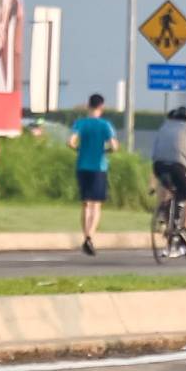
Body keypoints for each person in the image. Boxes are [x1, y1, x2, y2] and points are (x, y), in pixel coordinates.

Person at [147, 104, 186, 248]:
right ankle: (182, 229)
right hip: (179, 168)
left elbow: (155, 154)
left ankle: (166, 214)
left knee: (169, 192)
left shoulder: (164, 128)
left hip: (159, 166)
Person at [70, 93, 119, 256]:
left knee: (85, 203)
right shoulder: (105, 125)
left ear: (88, 105)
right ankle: (90, 236)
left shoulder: (80, 123)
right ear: (102, 107)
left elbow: (71, 142)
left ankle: (85, 235)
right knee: (96, 204)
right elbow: (114, 146)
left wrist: (78, 149)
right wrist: (106, 151)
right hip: (99, 166)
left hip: (82, 165)